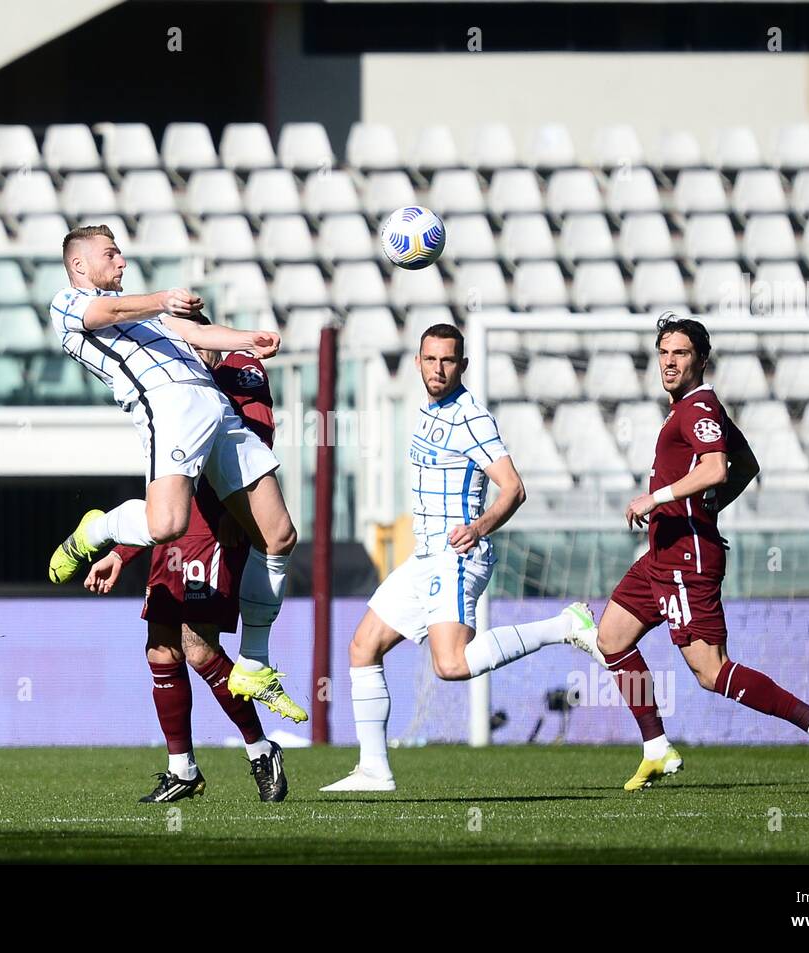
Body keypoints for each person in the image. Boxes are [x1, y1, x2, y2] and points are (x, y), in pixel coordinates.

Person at [321, 323, 600, 793]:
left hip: (455, 556)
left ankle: (565, 626)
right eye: (430, 359)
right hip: (423, 557)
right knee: (362, 646)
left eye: (448, 360)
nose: (438, 368)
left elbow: (514, 488)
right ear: (417, 362)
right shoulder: (428, 411)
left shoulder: (471, 416)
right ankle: (373, 769)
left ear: (463, 365)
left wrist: (478, 527)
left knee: (449, 666)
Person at [46, 225, 304, 722]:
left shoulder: (144, 314)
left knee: (279, 535)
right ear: (80, 266)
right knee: (167, 525)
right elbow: (102, 312)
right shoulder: (68, 303)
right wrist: (162, 298)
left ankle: (254, 661)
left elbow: (196, 333)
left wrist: (248, 338)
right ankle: (98, 528)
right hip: (170, 406)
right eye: (110, 254)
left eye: (120, 253)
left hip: (215, 410)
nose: (120, 262)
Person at [596, 312, 809, 791]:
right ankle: (656, 748)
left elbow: (716, 468)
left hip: (686, 561)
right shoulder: (691, 408)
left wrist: (659, 497)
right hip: (661, 556)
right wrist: (702, 508)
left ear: (702, 360)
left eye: (681, 354)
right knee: (611, 637)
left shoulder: (698, 410)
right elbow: (745, 464)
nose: (669, 362)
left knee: (711, 673)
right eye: (664, 353)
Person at [84, 335, 287, 803]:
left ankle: (260, 750)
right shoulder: (165, 372)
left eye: (192, 336)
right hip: (174, 526)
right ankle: (183, 769)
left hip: (214, 527)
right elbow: (166, 476)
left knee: (197, 648)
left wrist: (240, 514)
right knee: (160, 649)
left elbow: (255, 438)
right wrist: (121, 553)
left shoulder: (240, 366)